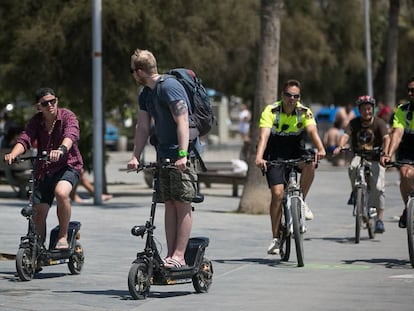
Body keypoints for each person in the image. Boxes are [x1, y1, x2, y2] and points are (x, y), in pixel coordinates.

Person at [127, 48, 198, 268]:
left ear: (139, 71)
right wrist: (135, 156)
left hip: (183, 154)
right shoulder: (146, 94)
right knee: (168, 203)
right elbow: (143, 126)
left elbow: (183, 121)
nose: (132, 76)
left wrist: (183, 154)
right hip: (163, 155)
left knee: (182, 203)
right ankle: (170, 254)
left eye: (133, 71)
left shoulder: (169, 87)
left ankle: (180, 255)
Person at [4, 87, 83, 249]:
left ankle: (63, 236)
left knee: (61, 193)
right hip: (45, 170)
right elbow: (25, 138)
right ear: (38, 106)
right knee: (38, 212)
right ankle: (37, 250)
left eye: (52, 101)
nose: (50, 105)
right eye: (45, 103)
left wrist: (61, 149)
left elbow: (71, 134)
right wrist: (13, 153)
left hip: (68, 166)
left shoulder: (67, 116)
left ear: (57, 101)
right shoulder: (36, 121)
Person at [255, 79, 326, 255]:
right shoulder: (270, 111)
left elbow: (313, 132)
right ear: (282, 95)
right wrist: (259, 157)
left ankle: (302, 201)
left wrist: (322, 148)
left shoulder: (304, 112)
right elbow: (263, 137)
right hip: (275, 155)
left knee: (311, 163)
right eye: (288, 95)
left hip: (296, 152)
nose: (292, 99)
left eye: (296, 96)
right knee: (277, 194)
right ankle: (275, 239)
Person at [333, 95, 390, 233]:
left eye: (369, 109)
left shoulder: (379, 123)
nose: (367, 112)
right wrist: (340, 146)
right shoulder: (354, 123)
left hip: (375, 157)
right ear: (359, 110)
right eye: (364, 109)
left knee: (378, 187)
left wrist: (386, 153)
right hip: (358, 155)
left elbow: (386, 138)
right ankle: (355, 192)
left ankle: (380, 220)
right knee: (352, 167)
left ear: (373, 109)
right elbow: (346, 136)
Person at [380, 76, 414, 229]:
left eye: (413, 90)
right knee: (405, 174)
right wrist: (388, 154)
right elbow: (397, 134)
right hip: (407, 149)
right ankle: (408, 207)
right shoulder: (402, 110)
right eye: (409, 90)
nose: (411, 93)